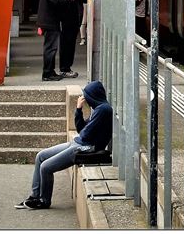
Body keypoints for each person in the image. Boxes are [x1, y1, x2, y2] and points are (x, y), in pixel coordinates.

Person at [16, 80, 113, 211]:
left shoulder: (103, 110)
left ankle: (44, 201)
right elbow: (81, 130)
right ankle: (35, 196)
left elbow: (85, 134)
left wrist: (85, 130)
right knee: (40, 156)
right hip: (79, 142)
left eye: (87, 96)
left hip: (87, 147)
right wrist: (79, 109)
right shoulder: (97, 108)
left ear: (93, 96)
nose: (85, 99)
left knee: (46, 167)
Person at [37, 0, 77, 81]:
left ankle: (50, 72)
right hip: (50, 20)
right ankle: (48, 74)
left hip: (48, 20)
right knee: (51, 48)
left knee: (50, 47)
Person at [58, 0, 86, 78]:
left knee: (71, 43)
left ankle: (67, 67)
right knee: (64, 42)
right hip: (64, 16)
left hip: (76, 16)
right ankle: (64, 68)